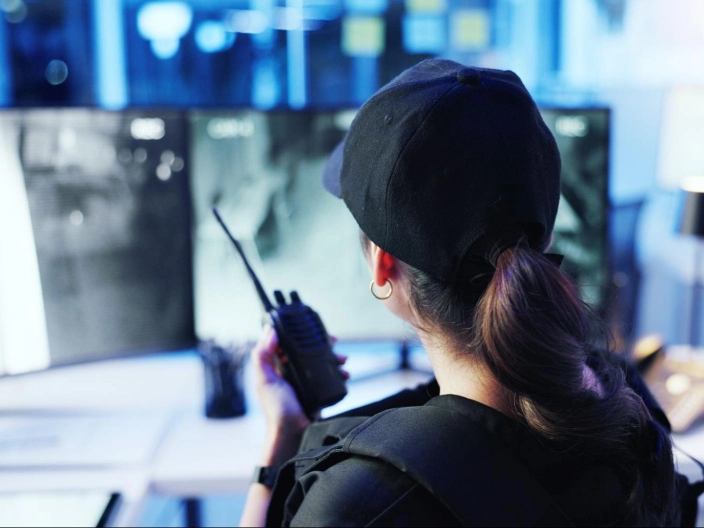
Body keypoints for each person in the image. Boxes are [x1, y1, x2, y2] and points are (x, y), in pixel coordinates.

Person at [239, 59, 680, 527]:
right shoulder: (629, 413)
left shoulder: (360, 505)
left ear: (382, 263)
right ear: (544, 240)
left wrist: (279, 449)